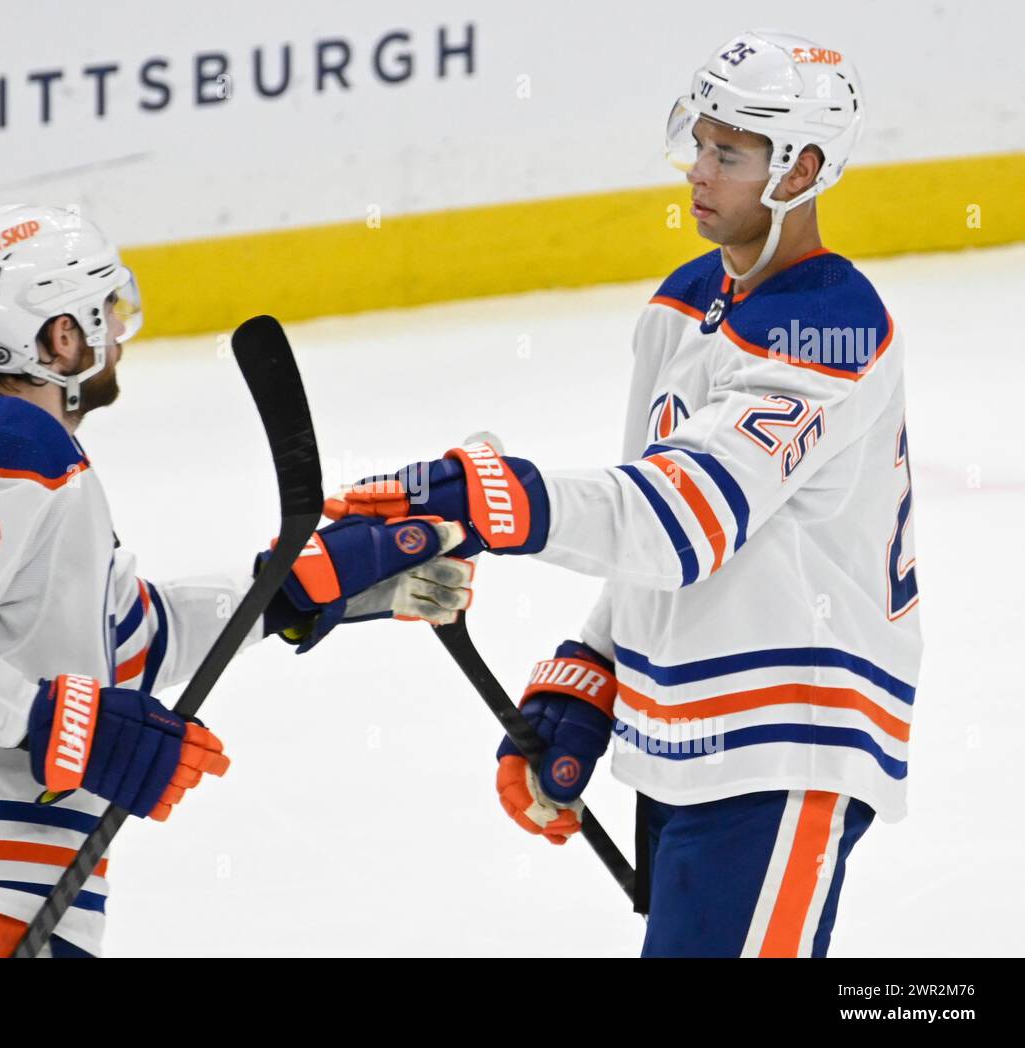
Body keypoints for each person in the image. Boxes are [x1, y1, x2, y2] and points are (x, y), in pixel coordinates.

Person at [326, 31, 920, 957]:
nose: (698, 170)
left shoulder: (828, 326)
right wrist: (598, 668)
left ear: (801, 167)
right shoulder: (682, 303)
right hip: (685, 732)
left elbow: (685, 519)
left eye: (730, 153)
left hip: (783, 739)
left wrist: (496, 500)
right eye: (700, 142)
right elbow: (650, 521)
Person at [0, 204, 473, 958]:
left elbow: (137, 645)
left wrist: (286, 589)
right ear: (62, 335)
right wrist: (58, 723)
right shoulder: (8, 439)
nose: (118, 331)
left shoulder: (31, 472)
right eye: (105, 311)